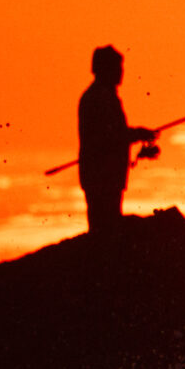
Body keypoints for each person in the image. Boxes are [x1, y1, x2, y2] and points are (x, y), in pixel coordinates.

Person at [77, 45, 157, 234]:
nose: (121, 72)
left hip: (103, 175)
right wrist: (138, 134)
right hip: (102, 176)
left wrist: (137, 136)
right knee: (105, 228)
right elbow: (110, 136)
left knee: (105, 226)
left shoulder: (100, 96)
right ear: (106, 69)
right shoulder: (99, 98)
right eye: (117, 67)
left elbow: (112, 135)